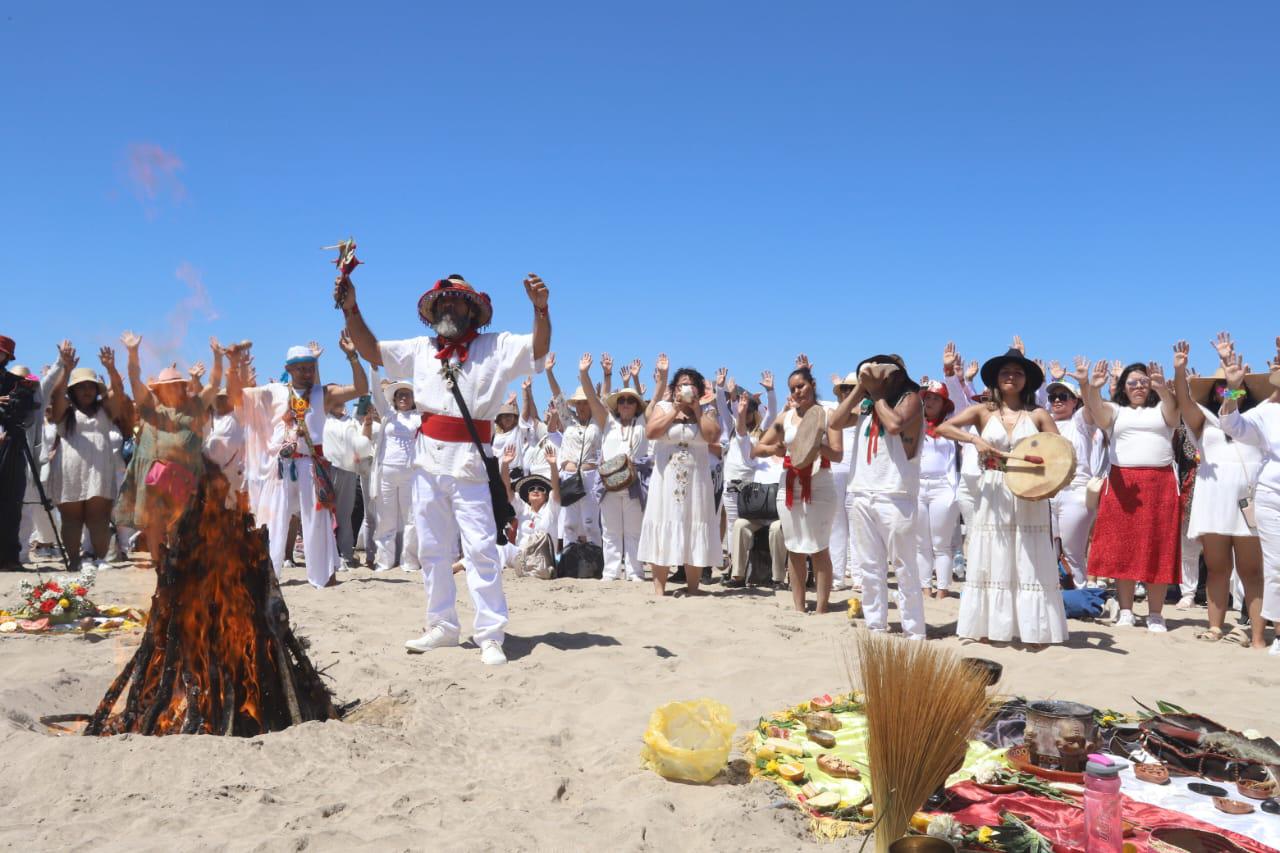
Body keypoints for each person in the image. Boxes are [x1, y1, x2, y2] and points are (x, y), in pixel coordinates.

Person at [340, 271, 550, 666]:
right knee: (432, 549)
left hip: (471, 461)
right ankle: (442, 626)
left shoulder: (496, 345)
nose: (447, 307)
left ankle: (489, 634)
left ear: (472, 310)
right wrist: (351, 306)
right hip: (426, 462)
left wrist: (540, 310)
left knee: (481, 549)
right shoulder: (420, 348)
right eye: (442, 303)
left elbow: (538, 349)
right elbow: (372, 350)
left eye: (455, 302)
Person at [937, 348, 1067, 646]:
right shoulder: (983, 412)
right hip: (993, 489)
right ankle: (988, 627)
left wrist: (1050, 483)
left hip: (1029, 491)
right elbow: (943, 426)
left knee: (1029, 556)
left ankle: (1034, 629)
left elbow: (1060, 454)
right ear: (996, 378)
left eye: (1018, 373)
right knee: (992, 553)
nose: (1012, 377)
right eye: (1006, 372)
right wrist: (974, 439)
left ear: (1027, 381)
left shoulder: (1038, 414)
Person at [237, 335, 368, 588]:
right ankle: (268, 575)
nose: (307, 372)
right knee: (274, 520)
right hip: (282, 467)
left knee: (316, 520)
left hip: (310, 466)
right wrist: (240, 370)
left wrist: (353, 357)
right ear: (289, 369)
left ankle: (323, 574)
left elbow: (360, 389)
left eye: (310, 367)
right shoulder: (275, 391)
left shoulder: (323, 393)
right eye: (301, 368)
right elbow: (241, 397)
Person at [1077, 356, 1181, 632]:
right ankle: (1125, 610)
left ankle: (1156, 613)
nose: (1138, 386)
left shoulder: (1161, 407)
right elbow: (1097, 413)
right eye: (1132, 382)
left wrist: (1162, 389)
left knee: (1158, 547)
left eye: (1143, 382)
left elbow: (1174, 412)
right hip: (1123, 482)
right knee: (1123, 547)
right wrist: (1094, 387)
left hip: (1160, 483)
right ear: (1123, 387)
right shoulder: (1115, 410)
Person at [1175, 338, 1266, 647]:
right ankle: (1216, 627)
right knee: (1216, 568)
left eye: (1234, 385)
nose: (1226, 390)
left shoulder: (1259, 419)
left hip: (1249, 502)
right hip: (1213, 498)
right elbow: (1183, 400)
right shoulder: (1206, 419)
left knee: (1251, 571)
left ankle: (1256, 635)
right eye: (1220, 386)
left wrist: (1234, 383)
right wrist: (1179, 370)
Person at [830, 353, 926, 639]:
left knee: (904, 566)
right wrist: (861, 389)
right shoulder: (867, 404)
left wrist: (877, 395)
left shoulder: (910, 400)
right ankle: (876, 624)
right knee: (869, 565)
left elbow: (895, 425)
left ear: (896, 377)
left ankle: (914, 630)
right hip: (862, 490)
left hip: (895, 493)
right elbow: (834, 421)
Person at [114, 333, 219, 567]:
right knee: (155, 521)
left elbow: (213, 386)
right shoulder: (150, 408)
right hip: (155, 475)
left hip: (187, 474)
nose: (171, 390)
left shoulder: (194, 406)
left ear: (182, 387)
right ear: (159, 389)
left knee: (183, 519)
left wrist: (218, 358)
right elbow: (133, 378)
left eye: (175, 385)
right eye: (167, 386)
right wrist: (132, 353)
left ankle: (178, 560)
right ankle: (158, 561)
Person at [751, 366, 843, 613]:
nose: (797, 391)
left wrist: (814, 445)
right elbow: (758, 448)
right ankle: (799, 607)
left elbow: (837, 453)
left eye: (801, 385)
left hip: (820, 483)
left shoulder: (828, 414)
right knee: (794, 547)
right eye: (792, 388)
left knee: (819, 547)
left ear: (812, 384)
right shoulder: (785, 419)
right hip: (790, 484)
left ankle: (822, 607)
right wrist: (775, 450)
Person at [637, 356, 721, 596]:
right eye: (682, 384)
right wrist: (675, 408)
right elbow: (651, 432)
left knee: (695, 524)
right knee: (662, 522)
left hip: (697, 480)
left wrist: (696, 409)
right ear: (674, 388)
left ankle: (694, 587)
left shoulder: (707, 410)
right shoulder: (664, 408)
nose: (686, 388)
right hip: (666, 480)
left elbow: (712, 437)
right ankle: (659, 588)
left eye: (691, 384)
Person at [1219, 336, 1280, 655]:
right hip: (1272, 495)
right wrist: (1232, 386)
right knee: (1277, 566)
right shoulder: (1265, 412)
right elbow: (1230, 423)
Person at [47, 348, 127, 571]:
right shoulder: (65, 410)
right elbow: (56, 396)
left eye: (90, 386)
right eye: (81, 386)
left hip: (99, 468)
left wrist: (111, 369)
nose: (87, 390)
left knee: (99, 518)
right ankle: (75, 561)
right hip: (69, 468)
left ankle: (100, 559)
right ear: (72, 390)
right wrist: (66, 370)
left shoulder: (105, 410)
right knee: (72, 519)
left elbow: (118, 393)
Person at [579, 353, 649, 582]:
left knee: (633, 531)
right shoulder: (607, 421)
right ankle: (611, 572)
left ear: (636, 405)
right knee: (610, 531)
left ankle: (635, 571)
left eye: (630, 401)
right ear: (617, 406)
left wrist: (663, 376)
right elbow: (591, 397)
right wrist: (584, 373)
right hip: (609, 483)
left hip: (634, 483)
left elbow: (656, 399)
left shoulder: (642, 422)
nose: (626, 404)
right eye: (622, 401)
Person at [1043, 367, 1100, 589]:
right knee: (1048, 549)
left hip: (1075, 490)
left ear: (1074, 401)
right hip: (1048, 492)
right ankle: (1056, 595)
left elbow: (1091, 407)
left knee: (1072, 550)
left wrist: (1085, 384)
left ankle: (1081, 594)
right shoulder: (1045, 421)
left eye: (1063, 396)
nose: (1057, 400)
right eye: (1053, 396)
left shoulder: (1080, 422)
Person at [546, 356, 602, 548]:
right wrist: (549, 372)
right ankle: (570, 560)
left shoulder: (598, 423)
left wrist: (586, 375)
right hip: (569, 475)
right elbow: (558, 396)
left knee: (590, 523)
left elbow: (601, 399)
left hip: (590, 475)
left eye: (585, 402)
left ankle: (595, 560)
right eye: (578, 403)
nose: (581, 406)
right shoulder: (569, 420)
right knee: (569, 523)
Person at [369, 376, 420, 573]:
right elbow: (376, 393)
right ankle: (384, 561)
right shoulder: (387, 415)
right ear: (394, 398)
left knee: (411, 519)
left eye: (407, 395)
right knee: (385, 519)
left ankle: (410, 561)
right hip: (386, 472)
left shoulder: (420, 417)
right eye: (400, 395)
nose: (403, 398)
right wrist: (374, 369)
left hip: (411, 474)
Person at [915, 379, 960, 599]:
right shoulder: (914, 424)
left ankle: (942, 589)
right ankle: (925, 589)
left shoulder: (952, 424)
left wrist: (957, 377)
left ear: (944, 404)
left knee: (941, 543)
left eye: (936, 398)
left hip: (943, 485)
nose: (931, 402)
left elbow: (964, 402)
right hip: (918, 485)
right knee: (921, 542)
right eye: (928, 398)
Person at [0, 334, 41, 571]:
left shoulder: (15, 381)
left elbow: (29, 408)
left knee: (11, 501)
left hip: (11, 443)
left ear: (7, 356)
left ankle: (8, 557)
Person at [499, 443, 561, 578]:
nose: (536, 490)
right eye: (532, 489)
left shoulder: (551, 508)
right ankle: (456, 568)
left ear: (546, 495)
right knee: (499, 546)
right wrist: (505, 465)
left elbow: (556, 488)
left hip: (543, 557)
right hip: (521, 556)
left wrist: (553, 465)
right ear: (527, 496)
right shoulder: (522, 508)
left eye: (541, 489)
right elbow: (506, 489)